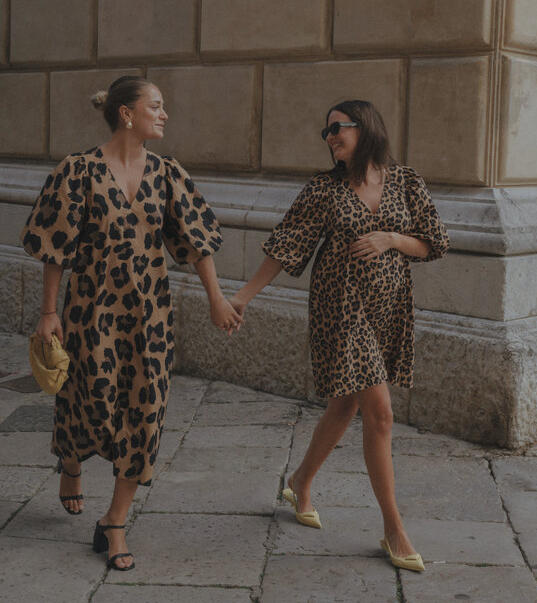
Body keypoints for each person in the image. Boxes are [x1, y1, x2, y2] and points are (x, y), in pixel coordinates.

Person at [22, 76, 242, 571]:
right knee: (87, 398)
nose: (164, 115)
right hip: (91, 308)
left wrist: (216, 299)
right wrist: (49, 311)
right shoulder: (77, 170)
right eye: (156, 106)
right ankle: (72, 459)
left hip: (150, 314)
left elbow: (196, 240)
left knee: (146, 412)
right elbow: (55, 245)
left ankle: (115, 522)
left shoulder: (168, 174)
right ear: (127, 113)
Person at [229, 100, 448, 572]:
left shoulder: (405, 181)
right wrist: (243, 296)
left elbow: (435, 242)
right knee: (381, 414)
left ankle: (301, 481)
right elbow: (286, 245)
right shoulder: (324, 190)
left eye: (336, 128)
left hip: (387, 311)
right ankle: (394, 529)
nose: (328, 138)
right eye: (324, 132)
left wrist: (390, 238)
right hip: (341, 306)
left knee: (345, 404)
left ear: (364, 127)